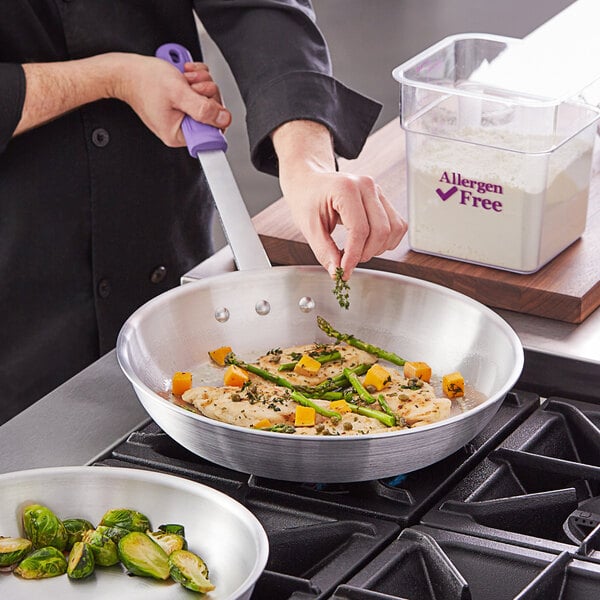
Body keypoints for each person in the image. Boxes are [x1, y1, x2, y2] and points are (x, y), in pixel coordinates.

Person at [0, 0, 407, 425]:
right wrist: (111, 76)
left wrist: (306, 162)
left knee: (179, 378)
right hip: (19, 262)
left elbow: (258, 8)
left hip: (154, 210)